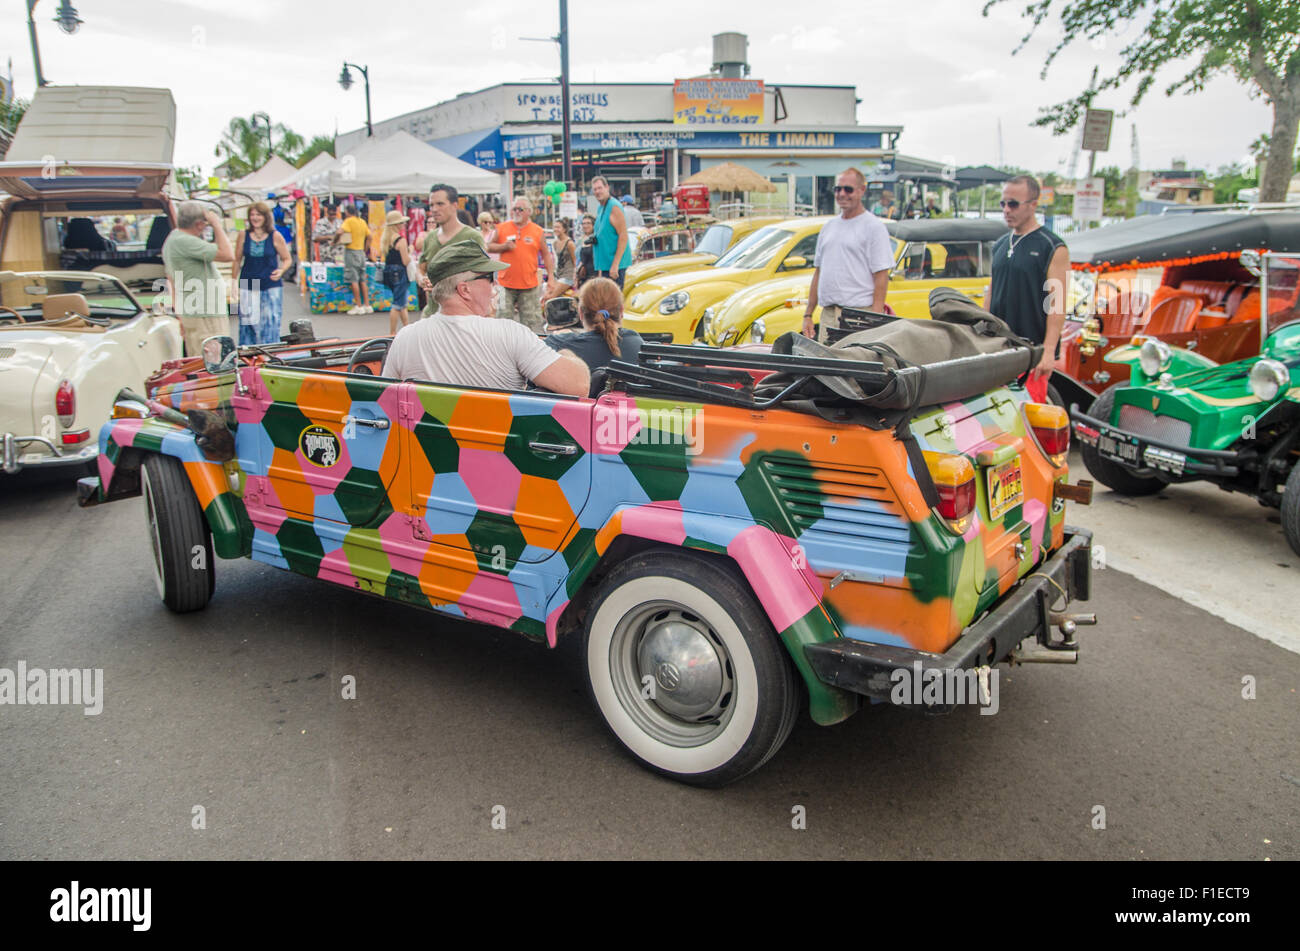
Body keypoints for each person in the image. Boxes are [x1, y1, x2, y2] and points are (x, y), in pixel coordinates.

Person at [381, 240, 589, 397]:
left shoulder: (405, 338)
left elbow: (384, 399)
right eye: (489, 279)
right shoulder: (511, 334)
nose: (494, 287)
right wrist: (566, 352)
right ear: (464, 289)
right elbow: (580, 385)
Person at [988, 174, 1068, 401]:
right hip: (999, 348)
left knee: (1028, 416)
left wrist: (1048, 351)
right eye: (1003, 203)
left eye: (1013, 204)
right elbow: (992, 291)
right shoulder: (1001, 244)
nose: (1006, 210)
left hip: (1031, 352)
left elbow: (1057, 303)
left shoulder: (1052, 246)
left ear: (1033, 205)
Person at [802, 167, 894, 343]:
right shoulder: (829, 227)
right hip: (829, 314)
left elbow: (881, 276)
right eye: (838, 189)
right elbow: (819, 272)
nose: (842, 194)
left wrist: (874, 319)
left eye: (848, 189)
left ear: (862, 191)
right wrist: (808, 314)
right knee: (825, 368)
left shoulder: (873, 227)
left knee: (853, 368)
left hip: (859, 316)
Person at [161, 201, 234, 355]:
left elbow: (171, 280)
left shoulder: (173, 238)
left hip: (194, 311)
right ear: (199, 224)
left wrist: (179, 312)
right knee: (216, 360)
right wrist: (216, 225)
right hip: (205, 313)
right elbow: (228, 254)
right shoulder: (185, 241)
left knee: (199, 359)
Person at [545, 276, 642, 373]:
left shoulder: (558, 344)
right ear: (621, 311)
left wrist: (563, 337)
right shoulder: (637, 344)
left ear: (581, 313)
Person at [416, 183, 484, 316]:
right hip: (432, 314)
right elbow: (420, 267)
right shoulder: (430, 237)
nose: (434, 209)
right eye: (431, 205)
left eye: (440, 204)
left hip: (463, 316)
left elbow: (484, 276)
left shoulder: (472, 237)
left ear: (454, 205)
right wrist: (421, 279)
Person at [488, 196, 554, 332]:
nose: (517, 212)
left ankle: (531, 350)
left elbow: (546, 254)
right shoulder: (502, 228)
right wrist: (503, 247)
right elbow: (488, 246)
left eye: (520, 209)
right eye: (514, 209)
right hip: (505, 283)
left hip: (529, 284)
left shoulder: (537, 231)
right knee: (503, 322)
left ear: (529, 212)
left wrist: (551, 277)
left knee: (532, 323)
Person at [232, 201, 291, 345]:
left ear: (265, 217)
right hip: (249, 282)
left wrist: (281, 270)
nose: (255, 218)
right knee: (248, 324)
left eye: (258, 214)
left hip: (270, 284)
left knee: (270, 322)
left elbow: (287, 258)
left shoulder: (275, 236)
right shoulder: (243, 235)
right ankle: (249, 356)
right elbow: (237, 260)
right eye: (252, 215)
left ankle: (269, 355)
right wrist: (233, 281)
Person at [590, 177, 631, 287]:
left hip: (615, 268)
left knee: (613, 302)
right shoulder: (601, 207)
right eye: (595, 189)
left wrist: (615, 264)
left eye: (600, 188)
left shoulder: (614, 206)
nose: (598, 192)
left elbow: (623, 236)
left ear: (607, 187)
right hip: (604, 266)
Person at [380, 209, 412, 334]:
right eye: (401, 223)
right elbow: (405, 260)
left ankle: (406, 327)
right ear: (397, 224)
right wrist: (411, 251)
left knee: (401, 302)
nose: (403, 225)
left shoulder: (386, 239)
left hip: (389, 271)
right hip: (399, 272)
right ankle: (392, 332)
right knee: (398, 304)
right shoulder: (400, 240)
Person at [339, 204, 372, 314]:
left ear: (348, 212)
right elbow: (370, 236)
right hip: (361, 252)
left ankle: (358, 305)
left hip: (351, 251)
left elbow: (340, 232)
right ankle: (367, 304)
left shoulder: (348, 221)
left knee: (354, 279)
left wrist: (335, 240)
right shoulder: (362, 221)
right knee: (362, 279)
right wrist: (365, 248)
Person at [544, 218, 576, 301]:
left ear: (564, 229)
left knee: (550, 297)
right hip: (559, 275)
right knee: (546, 293)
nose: (555, 229)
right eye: (554, 227)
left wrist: (576, 278)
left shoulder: (570, 243)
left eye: (558, 227)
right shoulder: (555, 243)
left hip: (568, 275)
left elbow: (575, 261)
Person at [576, 213, 596, 287]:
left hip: (592, 274)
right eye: (583, 223)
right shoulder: (580, 240)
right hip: (581, 274)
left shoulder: (595, 238)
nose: (585, 226)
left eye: (588, 223)